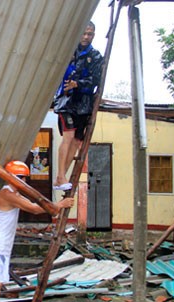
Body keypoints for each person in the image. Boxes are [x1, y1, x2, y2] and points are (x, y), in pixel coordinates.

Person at [0, 160, 75, 302]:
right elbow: (34, 208)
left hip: (1, 241)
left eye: (24, 178)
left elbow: (36, 203)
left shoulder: (13, 192)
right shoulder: (8, 193)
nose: (23, 181)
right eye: (20, 178)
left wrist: (52, 204)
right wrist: (60, 205)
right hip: (0, 242)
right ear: (10, 177)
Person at [53, 21, 104, 191]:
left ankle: (62, 178)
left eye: (89, 34)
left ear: (93, 35)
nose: (86, 37)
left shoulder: (96, 56)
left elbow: (96, 80)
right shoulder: (67, 51)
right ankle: (60, 175)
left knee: (76, 142)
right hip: (66, 101)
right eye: (83, 33)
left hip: (84, 104)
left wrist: (78, 84)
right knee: (67, 136)